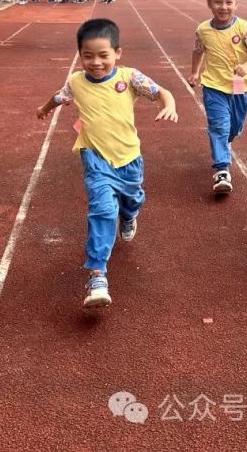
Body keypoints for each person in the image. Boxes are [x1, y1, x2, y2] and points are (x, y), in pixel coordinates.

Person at [36, 18, 178, 308]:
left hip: (129, 159)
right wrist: (44, 108)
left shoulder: (129, 78)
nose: (96, 62)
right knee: (102, 210)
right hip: (95, 157)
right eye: (88, 56)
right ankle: (97, 275)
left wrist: (169, 105)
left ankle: (129, 215)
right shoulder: (76, 81)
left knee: (131, 201)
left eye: (103, 55)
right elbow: (59, 96)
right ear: (79, 56)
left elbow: (162, 91)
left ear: (118, 53)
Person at [188, 0, 247, 195]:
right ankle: (222, 169)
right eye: (218, 2)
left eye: (229, 2)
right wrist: (195, 73)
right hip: (213, 85)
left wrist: (246, 66)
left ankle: (227, 140)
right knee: (219, 125)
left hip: (239, 85)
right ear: (209, 4)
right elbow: (197, 51)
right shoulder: (203, 30)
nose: (224, 7)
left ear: (236, 4)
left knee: (235, 126)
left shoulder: (243, 27)